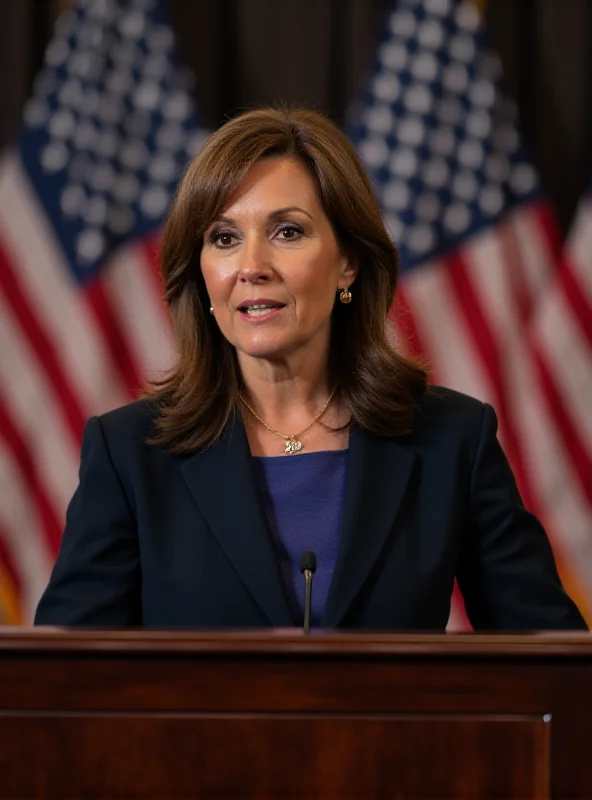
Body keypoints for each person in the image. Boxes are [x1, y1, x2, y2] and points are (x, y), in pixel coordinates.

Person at [35, 107, 586, 631]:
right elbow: (62, 686)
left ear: (348, 262)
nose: (252, 267)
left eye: (287, 232)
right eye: (224, 239)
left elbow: (551, 666)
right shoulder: (130, 453)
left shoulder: (452, 441)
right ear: (201, 274)